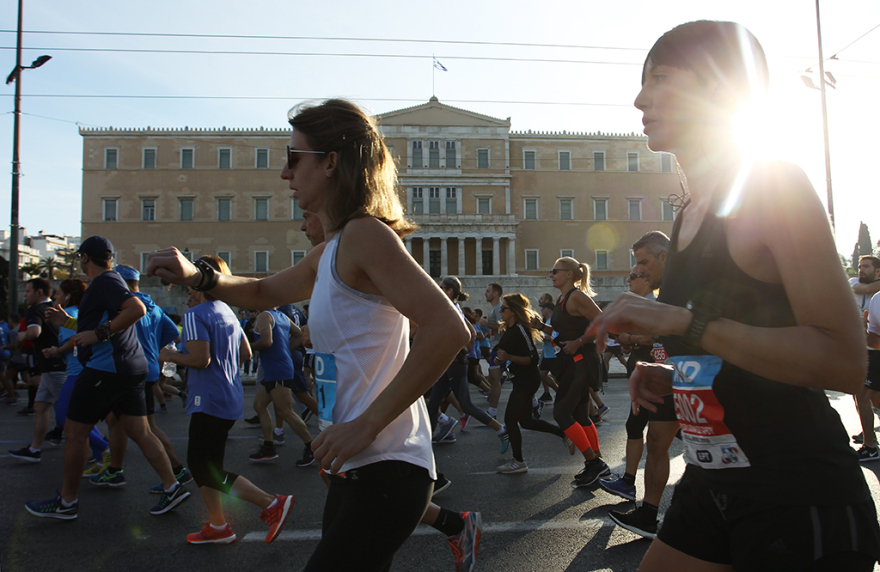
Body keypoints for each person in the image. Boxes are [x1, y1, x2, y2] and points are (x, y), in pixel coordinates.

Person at [590, 21, 880, 571]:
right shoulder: (686, 217)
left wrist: (685, 322)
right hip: (713, 479)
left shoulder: (773, 186)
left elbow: (844, 362)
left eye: (660, 78)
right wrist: (677, 375)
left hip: (797, 495)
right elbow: (746, 350)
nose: (640, 99)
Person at [147, 99, 470, 570]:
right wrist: (198, 275)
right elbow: (261, 290)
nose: (285, 173)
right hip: (352, 464)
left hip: (388, 463)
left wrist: (366, 424)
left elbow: (449, 328)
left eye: (294, 157)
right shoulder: (330, 251)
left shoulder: (366, 235)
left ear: (331, 162)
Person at [25, 236, 189, 519]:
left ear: (84, 257)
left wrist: (99, 334)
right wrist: (69, 322)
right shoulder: (109, 283)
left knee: (74, 433)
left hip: (106, 369)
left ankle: (67, 502)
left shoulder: (104, 281)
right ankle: (172, 486)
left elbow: (135, 310)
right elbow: (103, 321)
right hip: (129, 368)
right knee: (140, 431)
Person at [157, 255, 293, 544]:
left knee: (202, 467)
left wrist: (170, 355)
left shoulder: (195, 314)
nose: (188, 287)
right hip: (229, 395)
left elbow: (200, 359)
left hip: (207, 398)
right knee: (208, 465)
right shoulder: (228, 311)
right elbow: (245, 353)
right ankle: (218, 525)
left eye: (191, 279)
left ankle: (271, 503)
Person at [600, 232, 679, 539]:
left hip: (701, 381)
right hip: (672, 378)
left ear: (664, 256)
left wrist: (634, 338)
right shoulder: (666, 293)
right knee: (656, 442)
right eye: (636, 266)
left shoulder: (682, 288)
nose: (640, 271)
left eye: (644, 263)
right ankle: (648, 513)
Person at [533, 256, 609, 486]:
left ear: (568, 274)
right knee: (581, 415)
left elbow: (604, 323)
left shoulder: (577, 297)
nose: (551, 275)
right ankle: (597, 461)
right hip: (570, 362)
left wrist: (580, 341)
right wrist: (541, 326)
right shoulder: (561, 298)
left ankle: (594, 464)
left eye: (555, 271)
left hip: (581, 362)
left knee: (561, 413)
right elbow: (562, 332)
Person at [39, 279, 113, 476]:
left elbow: (73, 340)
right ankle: (101, 459)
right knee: (83, 418)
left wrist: (56, 351)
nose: (54, 297)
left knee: (64, 418)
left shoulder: (67, 314)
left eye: (57, 293)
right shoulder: (81, 312)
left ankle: (105, 449)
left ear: (68, 296)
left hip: (77, 371)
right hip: (86, 368)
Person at [426, 277, 507, 449]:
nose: (438, 289)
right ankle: (426, 443)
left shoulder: (450, 310)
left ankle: (501, 430)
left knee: (466, 405)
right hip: (448, 362)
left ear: (449, 291)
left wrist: (459, 349)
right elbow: (472, 331)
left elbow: (469, 334)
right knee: (433, 404)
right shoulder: (453, 308)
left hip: (455, 363)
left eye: (441, 287)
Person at [494, 293, 566, 473]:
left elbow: (532, 359)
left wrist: (509, 357)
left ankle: (518, 462)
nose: (500, 311)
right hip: (519, 380)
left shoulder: (520, 329)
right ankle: (563, 433)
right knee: (526, 422)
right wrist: (501, 358)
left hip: (527, 380)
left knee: (510, 419)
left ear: (513, 310)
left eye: (503, 308)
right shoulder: (509, 328)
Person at [8, 278, 68, 462]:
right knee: (40, 406)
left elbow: (34, 332)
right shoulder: (55, 308)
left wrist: (22, 336)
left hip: (53, 366)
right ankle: (35, 449)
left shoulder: (35, 310)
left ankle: (102, 446)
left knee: (70, 413)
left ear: (39, 292)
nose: (25, 295)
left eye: (28, 291)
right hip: (54, 365)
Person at [248, 307, 316, 467]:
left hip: (277, 369)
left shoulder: (264, 316)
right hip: (276, 368)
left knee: (286, 411)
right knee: (259, 405)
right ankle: (269, 447)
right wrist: (285, 349)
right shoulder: (282, 316)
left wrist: (247, 346)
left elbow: (266, 341)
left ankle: (311, 447)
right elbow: (299, 334)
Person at [480, 283, 504, 419]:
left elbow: (502, 327)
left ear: (495, 293)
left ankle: (492, 412)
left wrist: (486, 324)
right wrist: (488, 334)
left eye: (488, 291)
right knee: (493, 378)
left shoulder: (499, 308)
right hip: (495, 347)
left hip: (501, 348)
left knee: (495, 379)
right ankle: (492, 411)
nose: (485, 293)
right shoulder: (495, 309)